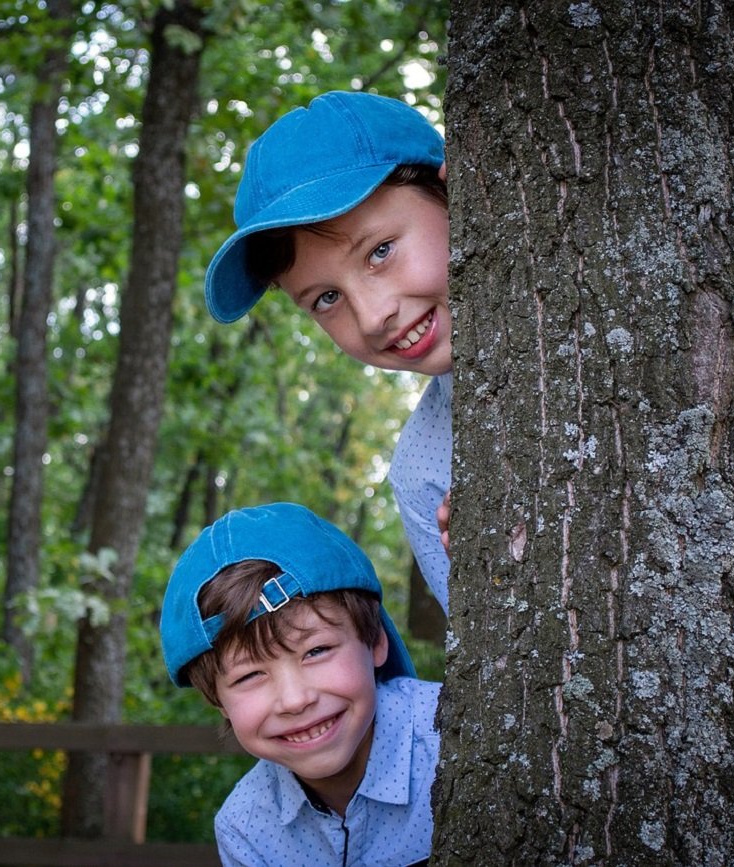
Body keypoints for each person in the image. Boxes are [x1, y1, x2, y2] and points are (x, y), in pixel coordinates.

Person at [204, 91, 453, 613]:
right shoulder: (421, 478)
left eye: (379, 251)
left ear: (453, 188)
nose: (371, 316)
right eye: (326, 299)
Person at [160, 502, 439, 866]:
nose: (294, 700)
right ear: (218, 702)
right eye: (249, 675)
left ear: (375, 641)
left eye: (316, 651)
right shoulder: (246, 830)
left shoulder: (460, 742)